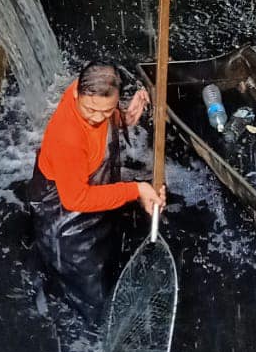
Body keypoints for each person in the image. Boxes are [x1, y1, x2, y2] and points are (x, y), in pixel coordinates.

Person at [28, 61, 163, 319]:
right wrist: (136, 190)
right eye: (90, 110)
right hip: (63, 219)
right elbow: (76, 198)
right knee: (90, 299)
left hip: (90, 199)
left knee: (108, 260)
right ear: (76, 94)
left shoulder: (94, 96)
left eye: (107, 110)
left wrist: (124, 117)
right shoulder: (68, 137)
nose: (97, 118)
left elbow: (104, 112)